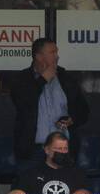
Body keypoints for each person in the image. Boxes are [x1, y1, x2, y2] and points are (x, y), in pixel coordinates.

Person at [7, 38, 89, 166]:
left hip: (63, 149)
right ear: (39, 56)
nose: (57, 56)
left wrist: (72, 119)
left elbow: (84, 110)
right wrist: (43, 79)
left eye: (56, 52)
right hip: (33, 150)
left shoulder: (65, 78)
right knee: (30, 185)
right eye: (52, 53)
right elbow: (24, 104)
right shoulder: (21, 79)